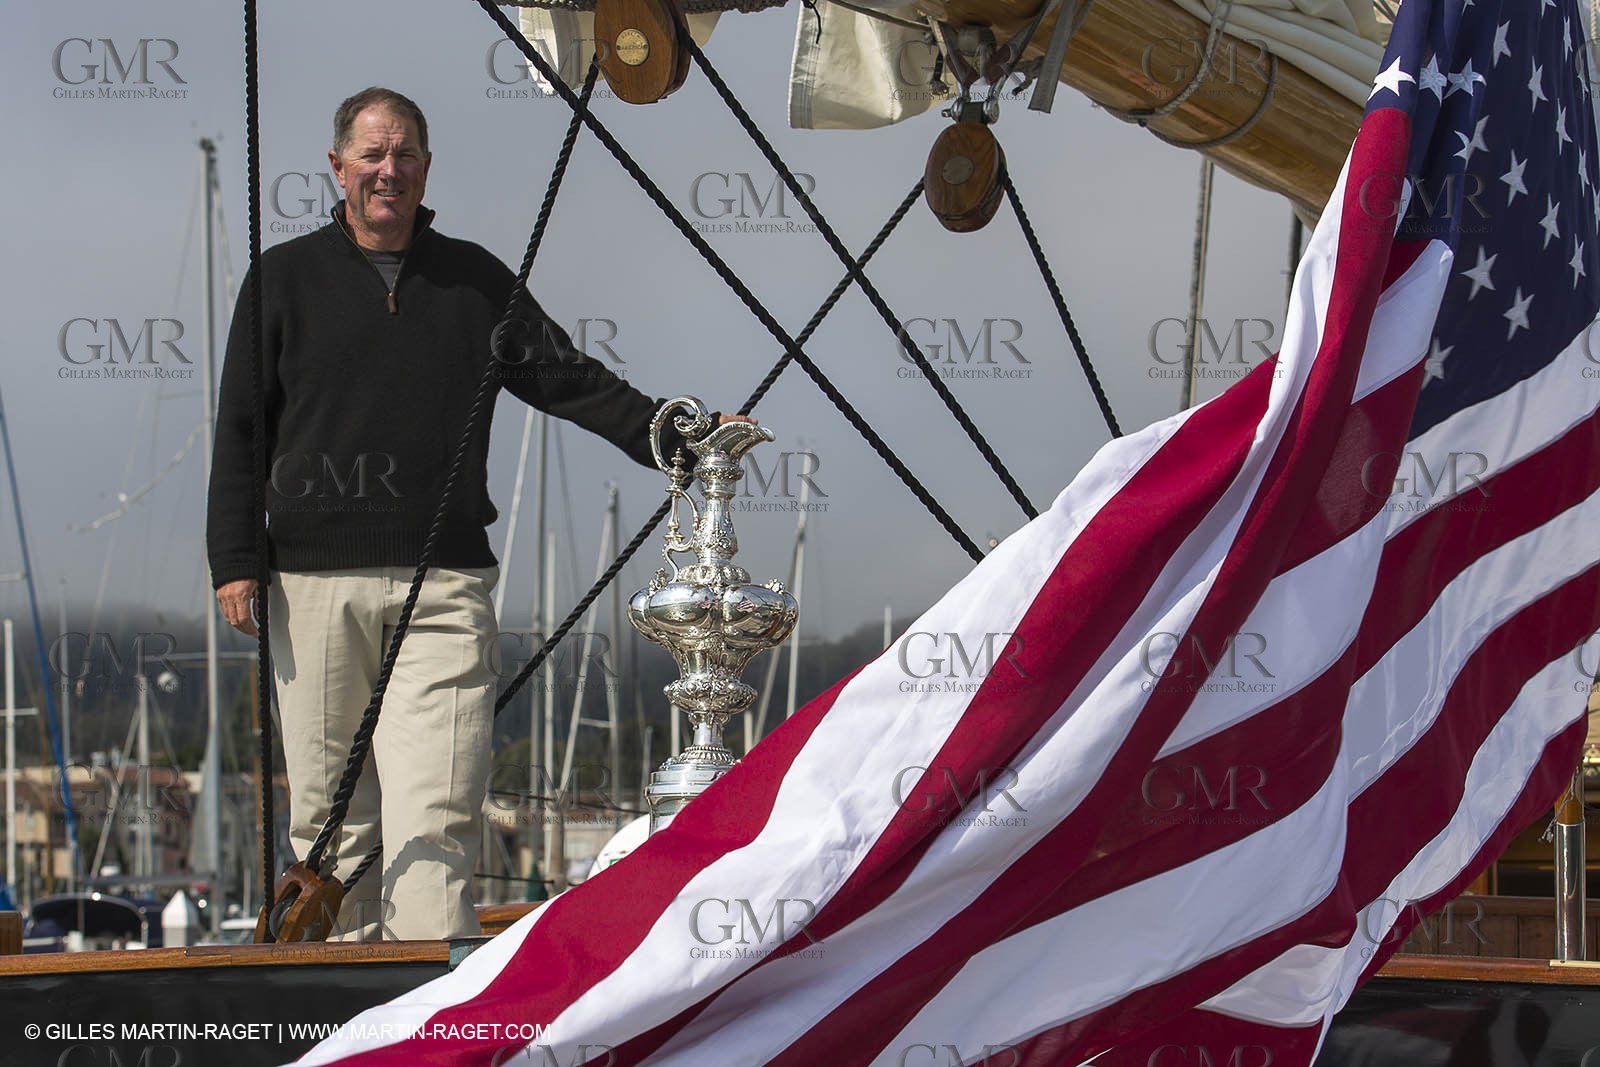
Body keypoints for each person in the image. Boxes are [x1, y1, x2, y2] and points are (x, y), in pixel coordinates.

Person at [207, 86, 739, 941]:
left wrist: (679, 434)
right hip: (309, 580)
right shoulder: (282, 279)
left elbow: (567, 378)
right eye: (372, 155)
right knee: (328, 822)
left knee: (440, 810)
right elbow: (240, 427)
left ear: (425, 168)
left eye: (406, 153)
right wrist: (234, 560)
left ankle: (422, 1009)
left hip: (443, 582)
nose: (390, 170)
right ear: (338, 168)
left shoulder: (474, 280)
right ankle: (341, 1014)